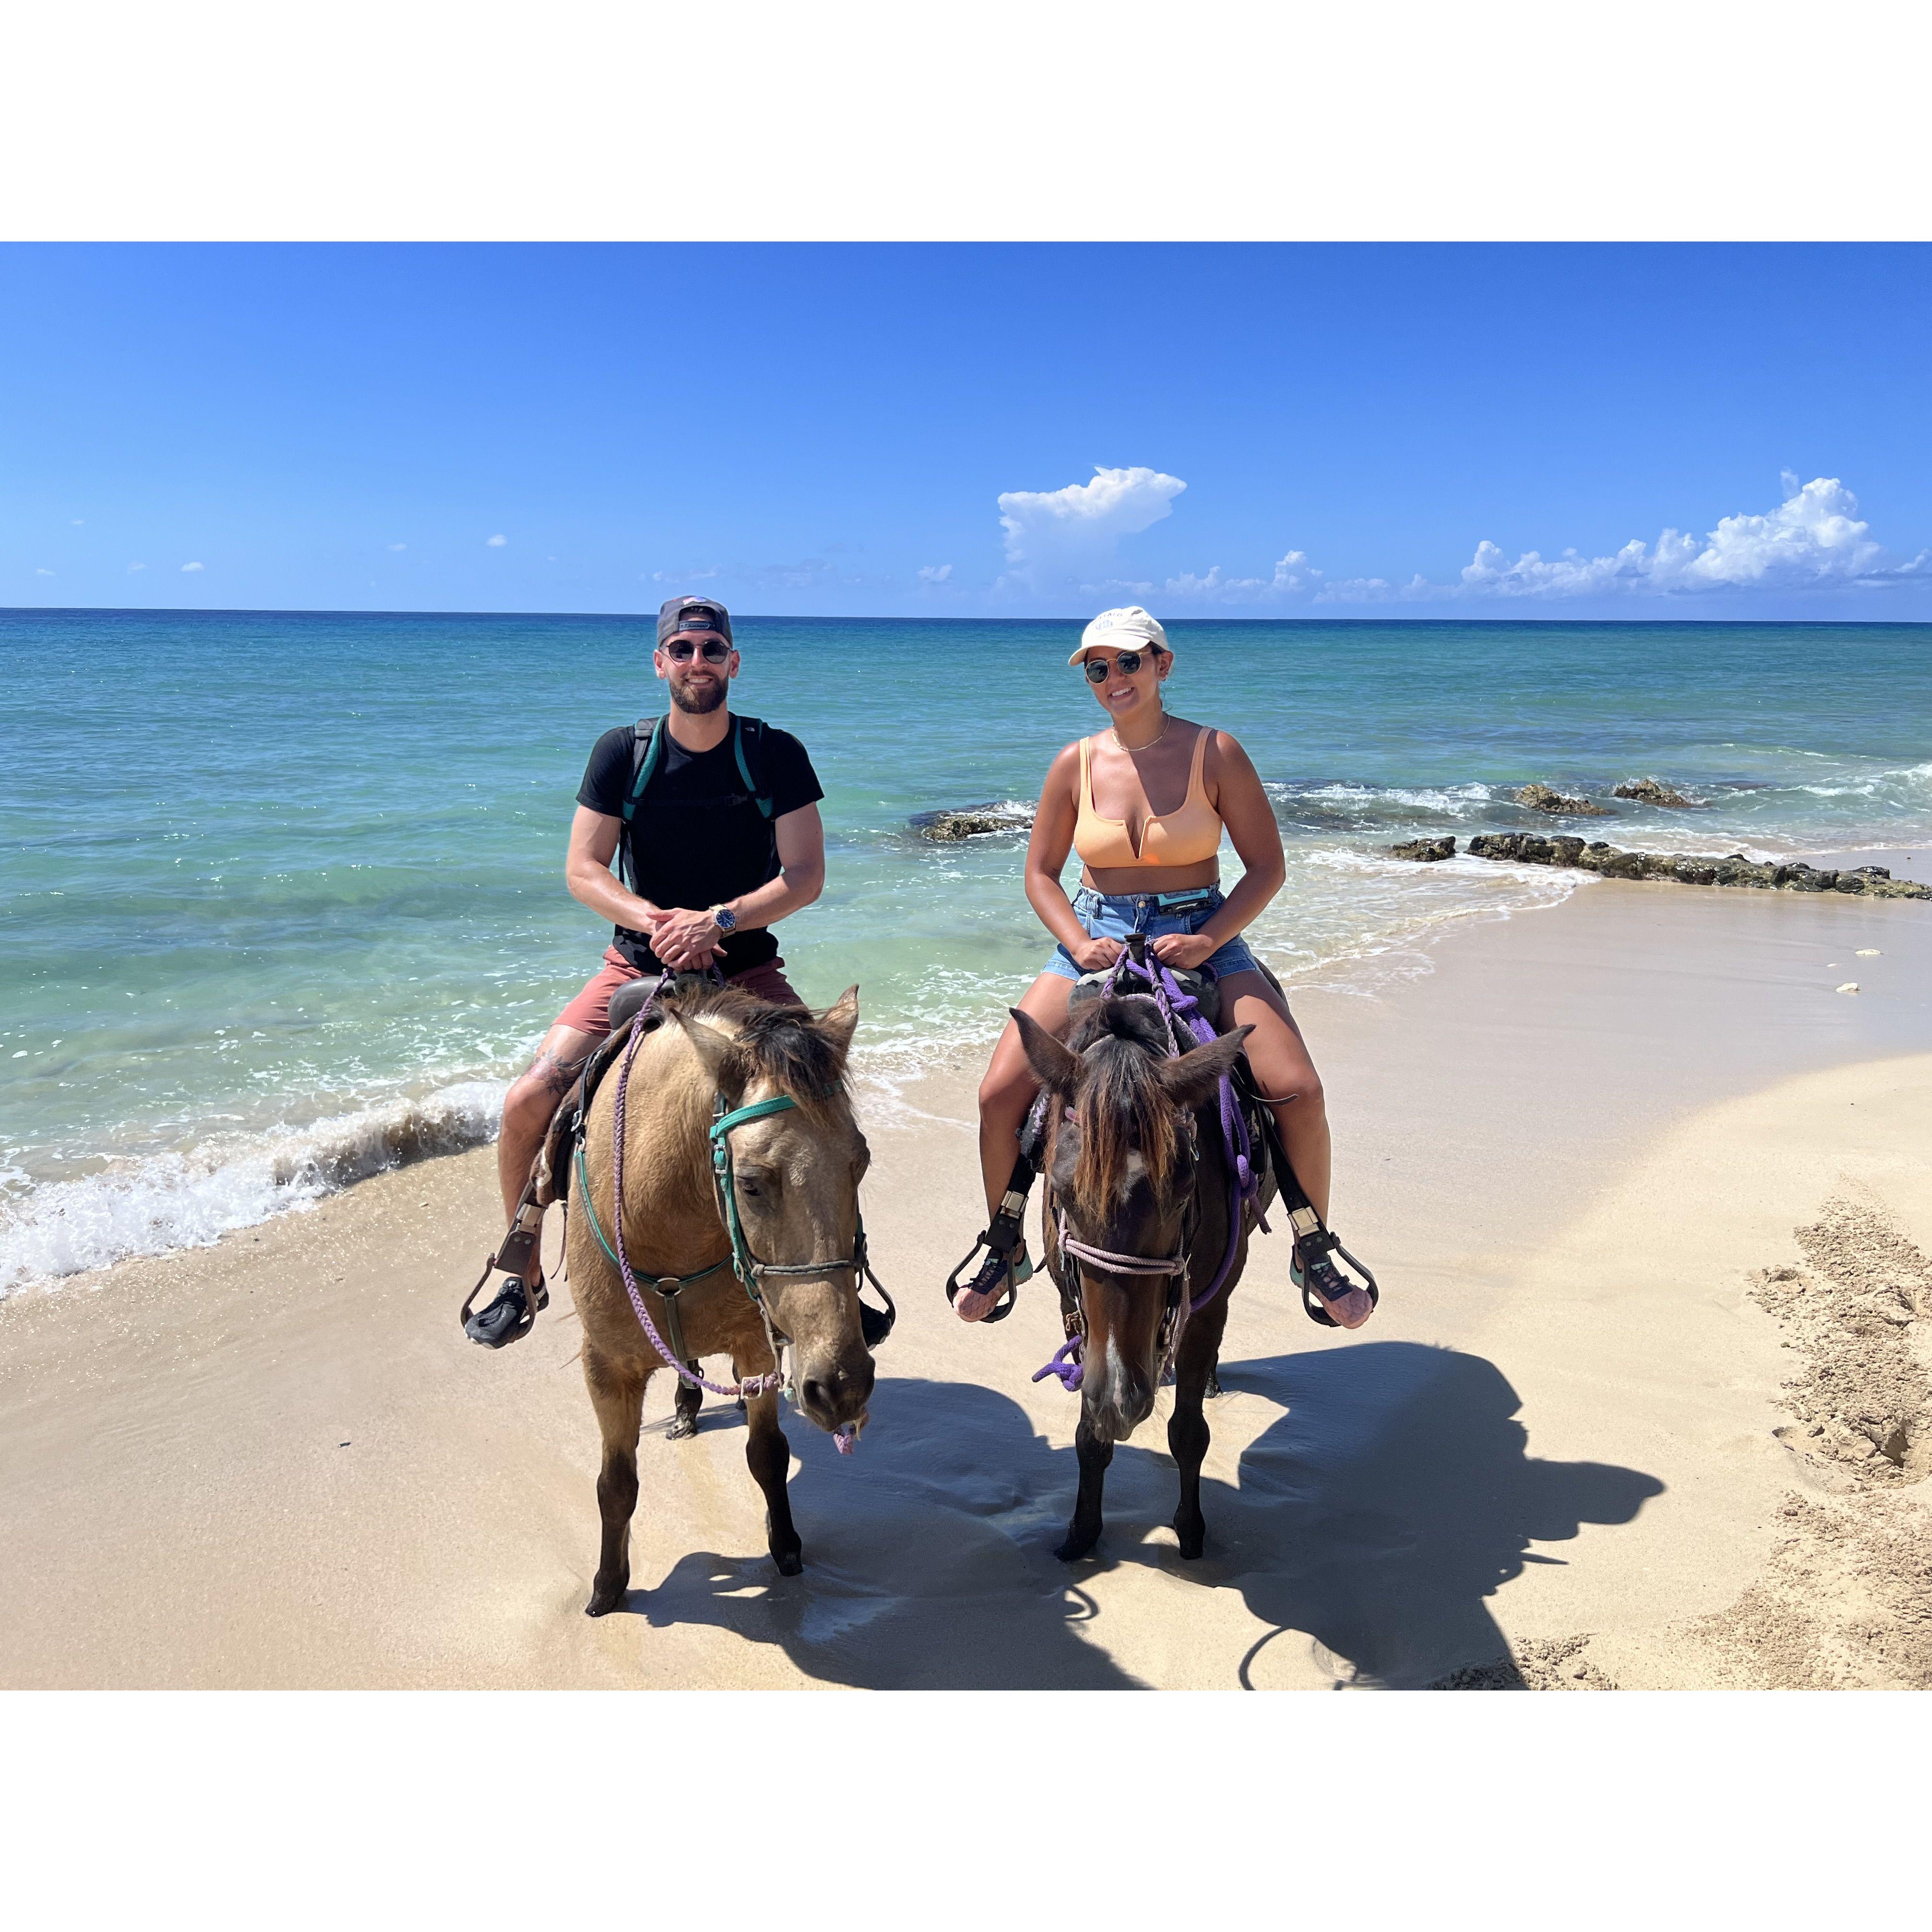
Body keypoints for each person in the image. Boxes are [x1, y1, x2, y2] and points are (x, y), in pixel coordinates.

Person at [953, 605, 1371, 1329]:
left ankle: (1313, 1244)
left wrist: (1209, 939)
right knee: (998, 1094)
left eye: (1128, 662)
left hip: (1203, 933)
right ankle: (1004, 1241)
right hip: (1098, 937)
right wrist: (1079, 945)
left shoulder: (1218, 752)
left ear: (1162, 665)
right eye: (1098, 667)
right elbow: (1042, 876)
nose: (1113, 678)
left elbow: (1267, 868)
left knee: (1296, 1088)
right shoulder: (1074, 762)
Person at [465, 595, 828, 1348]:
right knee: (530, 1099)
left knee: (821, 1103)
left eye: (712, 648)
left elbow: (804, 875)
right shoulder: (622, 753)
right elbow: (584, 868)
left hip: (746, 972)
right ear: (661, 662)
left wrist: (719, 920)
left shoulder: (775, 754)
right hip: (637, 965)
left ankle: (834, 1279)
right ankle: (520, 1264)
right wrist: (658, 923)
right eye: (684, 649)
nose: (699, 662)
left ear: (734, 662)